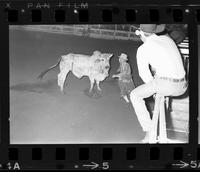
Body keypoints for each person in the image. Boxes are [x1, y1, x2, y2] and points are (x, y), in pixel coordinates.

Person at [130, 24, 188, 143]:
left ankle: (148, 131)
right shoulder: (167, 39)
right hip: (183, 86)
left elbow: (144, 75)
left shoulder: (143, 49)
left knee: (135, 95)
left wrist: (155, 87)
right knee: (158, 76)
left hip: (167, 86)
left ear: (140, 33)